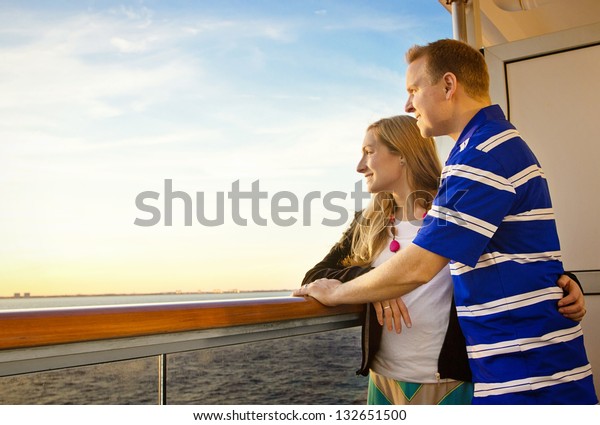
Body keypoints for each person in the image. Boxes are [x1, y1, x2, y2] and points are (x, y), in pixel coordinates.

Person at [295, 39, 597, 404]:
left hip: (527, 375)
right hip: (516, 369)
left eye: (414, 90)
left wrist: (342, 292)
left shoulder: (482, 156)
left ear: (449, 86)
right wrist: (370, 287)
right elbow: (517, 250)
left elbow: (419, 266)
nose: (408, 105)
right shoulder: (488, 148)